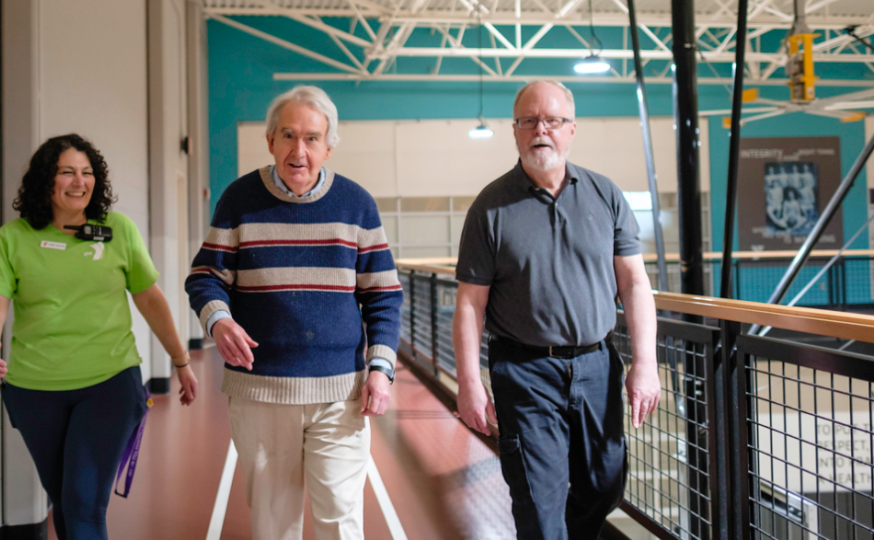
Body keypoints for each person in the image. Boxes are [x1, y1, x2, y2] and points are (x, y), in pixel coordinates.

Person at [185, 85, 401, 540]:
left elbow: (383, 295)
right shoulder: (239, 200)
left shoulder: (357, 205)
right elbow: (205, 276)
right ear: (270, 141)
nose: (298, 151)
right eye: (288, 136)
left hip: (340, 393)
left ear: (328, 147)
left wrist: (381, 370)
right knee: (273, 523)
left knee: (341, 519)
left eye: (311, 138)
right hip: (261, 391)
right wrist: (218, 321)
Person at [452, 80, 660, 540]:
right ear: (515, 130)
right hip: (525, 371)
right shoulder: (490, 207)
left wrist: (646, 363)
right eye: (528, 121)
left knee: (605, 485)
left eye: (551, 120)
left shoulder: (605, 195)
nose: (540, 130)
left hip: (597, 366)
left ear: (571, 129)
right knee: (537, 501)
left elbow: (634, 283)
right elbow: (470, 303)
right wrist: (469, 382)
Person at [0, 133, 198, 540]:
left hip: (109, 382)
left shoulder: (118, 230)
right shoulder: (14, 237)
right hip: (34, 389)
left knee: (82, 503)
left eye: (87, 172)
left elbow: (150, 299)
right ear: (46, 180)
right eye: (67, 172)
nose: (79, 182)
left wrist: (181, 360)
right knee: (64, 499)